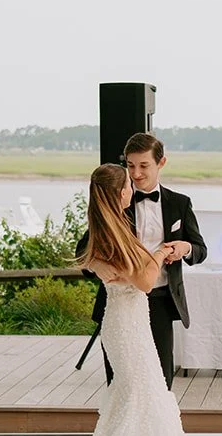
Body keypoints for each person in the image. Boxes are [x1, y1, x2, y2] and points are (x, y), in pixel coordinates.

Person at [61, 162, 187, 436]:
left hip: (129, 324)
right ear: (121, 193)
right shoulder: (109, 236)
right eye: (129, 183)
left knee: (136, 396)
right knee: (140, 396)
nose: (134, 187)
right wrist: (162, 252)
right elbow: (145, 282)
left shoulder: (108, 229)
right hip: (125, 328)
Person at [83, 132, 208, 389]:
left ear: (161, 163)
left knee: (161, 381)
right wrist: (99, 267)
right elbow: (84, 250)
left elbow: (200, 249)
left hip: (162, 300)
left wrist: (185, 248)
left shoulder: (179, 204)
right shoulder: (117, 200)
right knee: (122, 382)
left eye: (143, 165)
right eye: (130, 166)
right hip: (121, 305)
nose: (136, 173)